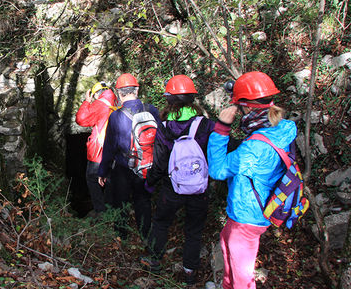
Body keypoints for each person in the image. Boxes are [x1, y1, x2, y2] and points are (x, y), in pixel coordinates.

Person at [208, 71, 296, 289]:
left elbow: (218, 170)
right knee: (225, 241)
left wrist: (221, 128)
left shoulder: (254, 148)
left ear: (246, 107)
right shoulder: (281, 128)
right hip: (257, 206)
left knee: (242, 277)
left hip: (248, 215)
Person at [143, 75, 215, 286]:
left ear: (168, 100)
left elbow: (159, 164)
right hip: (199, 190)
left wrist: (150, 183)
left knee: (161, 223)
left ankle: (155, 261)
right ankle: (190, 271)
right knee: (194, 230)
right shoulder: (207, 125)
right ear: (193, 98)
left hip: (172, 189)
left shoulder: (164, 128)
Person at [97, 73, 160, 240]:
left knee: (120, 203)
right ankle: (146, 237)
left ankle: (121, 237)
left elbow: (109, 148)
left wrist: (102, 172)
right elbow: (161, 141)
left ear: (119, 93)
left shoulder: (116, 116)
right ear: (137, 90)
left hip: (123, 168)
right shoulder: (151, 110)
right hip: (146, 166)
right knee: (143, 202)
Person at [75, 81, 118, 216]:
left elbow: (81, 119)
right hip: (116, 149)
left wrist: (87, 102)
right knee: (110, 178)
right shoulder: (117, 103)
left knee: (92, 178)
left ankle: (100, 210)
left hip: (100, 151)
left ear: (96, 94)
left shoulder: (100, 104)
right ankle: (110, 207)